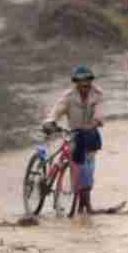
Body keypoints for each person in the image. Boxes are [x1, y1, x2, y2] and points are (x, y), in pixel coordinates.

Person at [43, 66, 104, 215]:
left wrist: (95, 122)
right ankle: (83, 204)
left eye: (87, 81)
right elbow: (58, 109)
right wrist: (50, 121)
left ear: (91, 81)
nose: (84, 85)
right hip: (75, 134)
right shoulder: (69, 96)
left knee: (88, 170)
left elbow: (100, 113)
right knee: (78, 168)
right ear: (76, 82)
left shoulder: (97, 94)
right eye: (81, 81)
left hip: (90, 134)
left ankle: (85, 204)